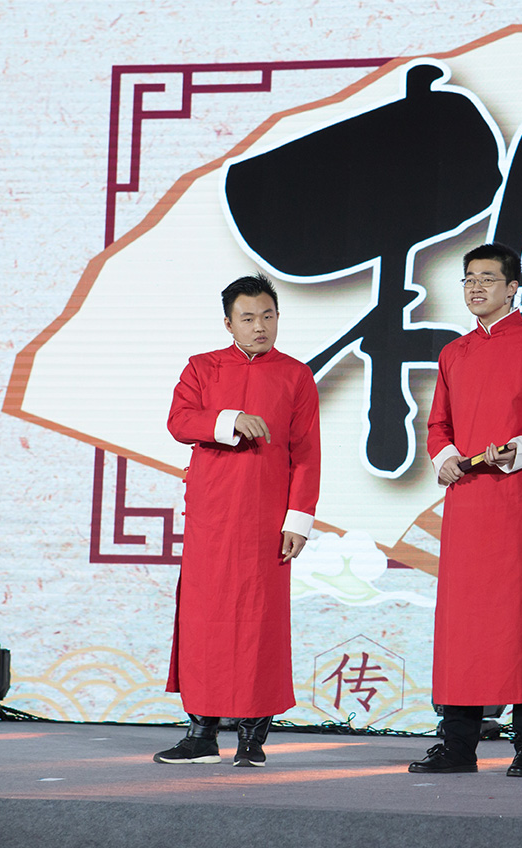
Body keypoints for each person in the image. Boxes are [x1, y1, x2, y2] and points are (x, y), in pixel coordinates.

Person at [409, 243, 522, 778]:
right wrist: (443, 458)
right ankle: (458, 746)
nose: (476, 287)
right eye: (468, 279)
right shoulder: (454, 353)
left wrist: (521, 449)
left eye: (487, 278)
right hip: (468, 503)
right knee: (464, 624)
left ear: (512, 287)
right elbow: (438, 425)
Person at [155, 272, 321, 767]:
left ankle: (253, 738)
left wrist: (298, 520)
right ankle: (201, 735)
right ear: (229, 323)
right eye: (248, 318)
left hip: (267, 522)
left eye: (268, 316)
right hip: (211, 518)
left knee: (259, 625)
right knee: (203, 621)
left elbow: (306, 454)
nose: (260, 327)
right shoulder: (202, 367)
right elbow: (179, 421)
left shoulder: (296, 375)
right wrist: (228, 419)